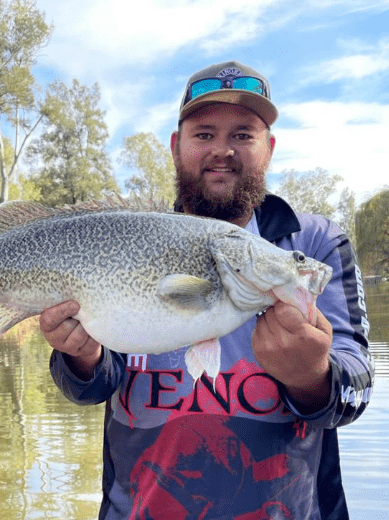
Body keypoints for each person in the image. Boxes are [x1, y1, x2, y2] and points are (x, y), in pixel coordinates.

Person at [40, 60, 375, 519]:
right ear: (177, 147)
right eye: (204, 134)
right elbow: (92, 386)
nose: (223, 150)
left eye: (242, 134)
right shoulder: (130, 236)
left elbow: (357, 388)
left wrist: (312, 377)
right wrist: (80, 355)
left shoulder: (315, 245)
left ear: (269, 148)